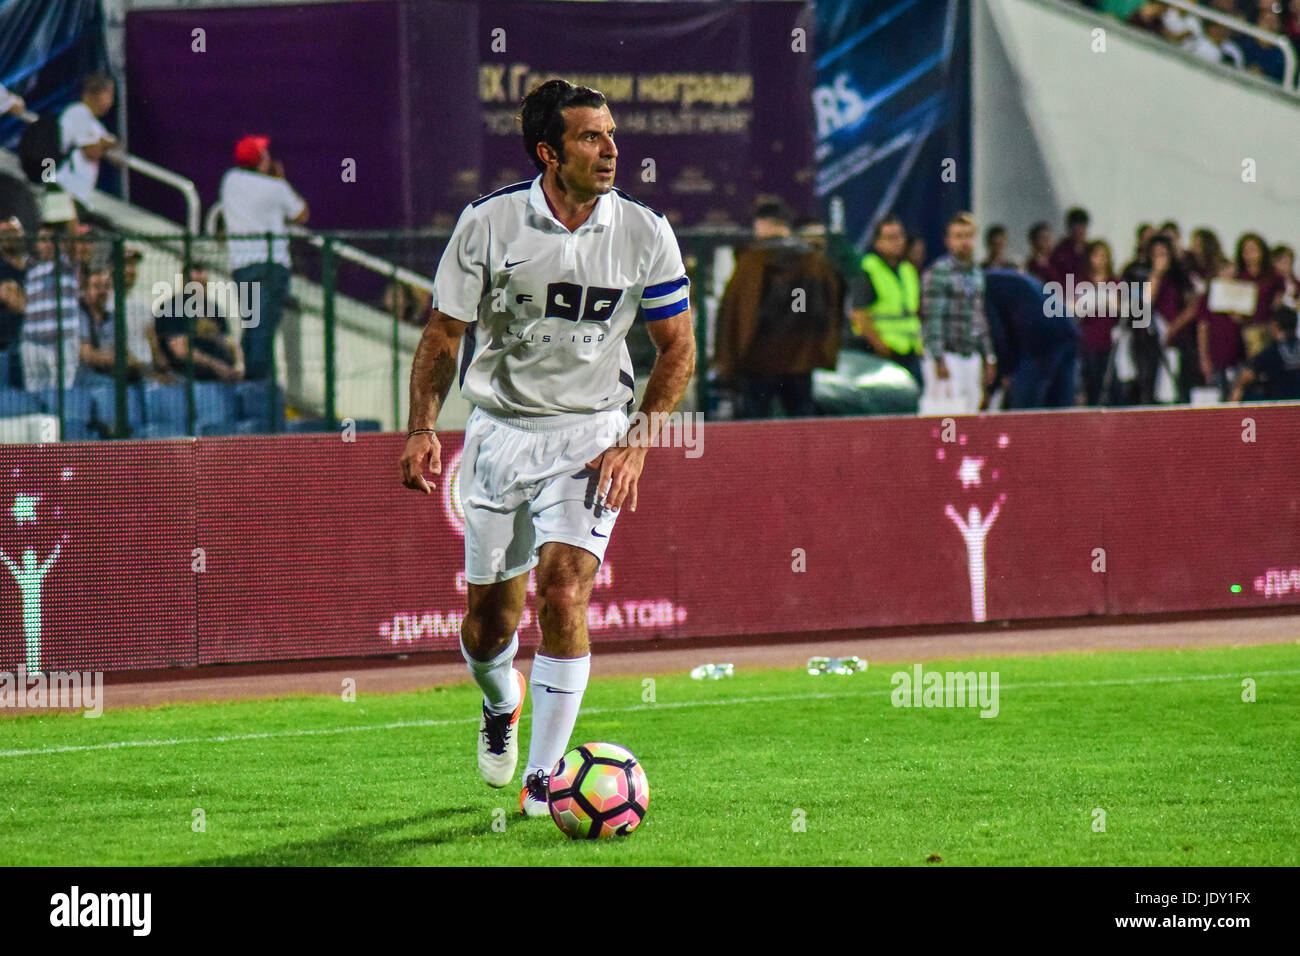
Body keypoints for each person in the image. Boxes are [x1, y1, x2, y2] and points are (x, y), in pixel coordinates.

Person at [397, 80, 695, 818]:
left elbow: (677, 345)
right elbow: (443, 336)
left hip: (592, 433)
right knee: (489, 625)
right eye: (591, 137)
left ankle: (545, 778)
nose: (611, 149)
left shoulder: (644, 231)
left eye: (612, 134)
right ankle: (501, 701)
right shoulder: (489, 223)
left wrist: (638, 442)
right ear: (548, 153)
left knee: (564, 589)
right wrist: (421, 427)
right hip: (500, 434)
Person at [713, 200, 843, 418]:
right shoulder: (814, 262)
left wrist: (728, 362)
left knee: (757, 429)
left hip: (758, 359)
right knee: (802, 427)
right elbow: (826, 311)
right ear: (785, 226)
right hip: (801, 360)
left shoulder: (750, 263)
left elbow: (733, 316)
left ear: (761, 225)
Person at [219, 135, 308, 381]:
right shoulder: (276, 188)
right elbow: (301, 214)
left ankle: (248, 382)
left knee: (253, 326)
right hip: (271, 268)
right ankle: (262, 391)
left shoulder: (230, 181)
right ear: (261, 159)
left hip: (243, 268)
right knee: (262, 332)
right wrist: (279, 178)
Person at [920, 212, 996, 414]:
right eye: (959, 236)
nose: (965, 241)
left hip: (971, 355)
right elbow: (932, 316)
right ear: (948, 241)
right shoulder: (939, 271)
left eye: (969, 236)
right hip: (947, 355)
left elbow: (979, 317)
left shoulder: (977, 273)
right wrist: (938, 357)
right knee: (945, 415)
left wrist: (988, 355)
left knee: (971, 413)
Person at [984, 268, 1077, 409]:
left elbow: (999, 335)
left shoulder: (986, 289)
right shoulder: (1005, 278)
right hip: (1068, 329)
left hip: (1040, 338)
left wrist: (1003, 374)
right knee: (1060, 408)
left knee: (1025, 408)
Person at [848, 214, 922, 385]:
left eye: (899, 236)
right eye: (890, 238)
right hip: (881, 353)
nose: (897, 242)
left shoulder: (907, 269)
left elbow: (913, 311)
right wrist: (880, 346)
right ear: (877, 242)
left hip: (910, 351)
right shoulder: (868, 269)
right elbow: (859, 314)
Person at [155, 267, 244, 382]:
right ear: (184, 282)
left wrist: (239, 364)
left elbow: (230, 342)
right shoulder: (172, 307)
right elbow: (180, 350)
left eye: (203, 284)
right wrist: (217, 366)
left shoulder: (213, 308)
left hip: (222, 375)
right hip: (188, 377)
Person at [20, 225, 81, 390]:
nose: (47, 244)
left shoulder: (68, 266)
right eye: (42, 240)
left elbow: (75, 238)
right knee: (34, 393)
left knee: (62, 392)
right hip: (33, 343)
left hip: (62, 341)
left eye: (51, 240)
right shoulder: (31, 270)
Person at [56, 74, 118, 208]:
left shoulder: (96, 125)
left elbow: (117, 157)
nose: (111, 101)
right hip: (65, 189)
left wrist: (105, 143)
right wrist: (105, 144)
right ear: (94, 94)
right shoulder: (77, 112)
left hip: (79, 194)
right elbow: (91, 152)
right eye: (108, 95)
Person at [1230, 305, 1300, 401]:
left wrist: (1238, 387)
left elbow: (1247, 375)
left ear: (1275, 326)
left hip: (1280, 405)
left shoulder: (1271, 352)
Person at [0, 218, 27, 387]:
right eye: (3, 233)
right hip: (6, 342)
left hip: (35, 339)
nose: (8, 237)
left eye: (12, 232)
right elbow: (12, 301)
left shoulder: (33, 266)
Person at [1049, 207, 1090, 288]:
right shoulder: (1060, 250)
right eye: (1075, 227)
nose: (1079, 231)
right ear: (1069, 227)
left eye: (1082, 227)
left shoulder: (1091, 250)